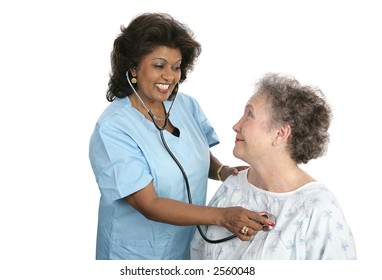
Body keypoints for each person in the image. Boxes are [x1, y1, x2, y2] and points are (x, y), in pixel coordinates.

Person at [89, 13, 270, 260]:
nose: (170, 76)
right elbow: (149, 205)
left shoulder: (186, 105)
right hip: (135, 257)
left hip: (186, 247)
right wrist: (224, 216)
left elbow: (192, 152)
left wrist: (222, 172)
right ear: (132, 68)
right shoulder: (113, 128)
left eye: (176, 67)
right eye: (159, 65)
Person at [190, 73, 357, 260]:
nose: (236, 126)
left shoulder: (319, 209)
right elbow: (197, 253)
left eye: (249, 115)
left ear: (280, 133)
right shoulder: (233, 186)